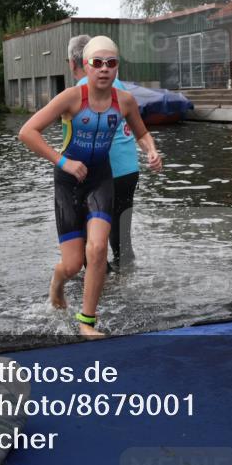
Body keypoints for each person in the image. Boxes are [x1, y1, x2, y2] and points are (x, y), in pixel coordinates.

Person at [19, 35, 162, 337]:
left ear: (117, 68)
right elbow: (27, 132)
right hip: (69, 182)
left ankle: (87, 321)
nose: (104, 69)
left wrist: (150, 149)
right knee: (71, 265)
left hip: (100, 179)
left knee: (97, 249)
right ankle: (57, 283)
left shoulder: (124, 101)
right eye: (97, 63)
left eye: (111, 63)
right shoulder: (71, 97)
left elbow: (142, 132)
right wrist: (63, 162)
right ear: (85, 66)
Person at [67, 34, 139, 269]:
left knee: (90, 242)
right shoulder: (117, 84)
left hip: (101, 175)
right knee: (121, 237)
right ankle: (126, 284)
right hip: (129, 168)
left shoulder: (82, 89)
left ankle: (101, 290)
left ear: (72, 63)